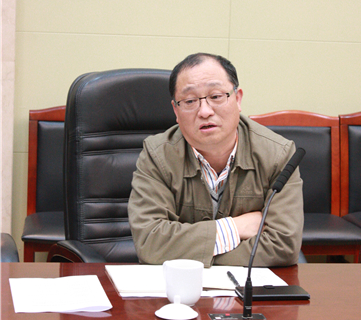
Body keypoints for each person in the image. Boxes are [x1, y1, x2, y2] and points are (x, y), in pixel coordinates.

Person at [128, 53, 303, 267]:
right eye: (190, 101)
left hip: (246, 285)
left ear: (237, 98)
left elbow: (283, 245)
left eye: (216, 96)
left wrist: (194, 254)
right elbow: (150, 243)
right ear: (176, 110)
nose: (204, 111)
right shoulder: (157, 155)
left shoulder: (278, 154)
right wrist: (235, 228)